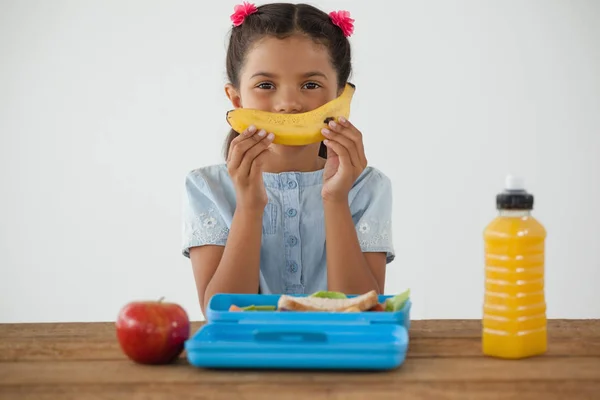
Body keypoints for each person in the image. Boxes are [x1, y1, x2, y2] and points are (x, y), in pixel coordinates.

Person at [181, 2, 395, 314]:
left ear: (338, 99)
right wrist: (250, 206)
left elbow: (360, 311)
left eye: (311, 84)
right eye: (266, 85)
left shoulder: (367, 187)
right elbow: (223, 314)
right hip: (245, 362)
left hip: (340, 361)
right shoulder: (206, 188)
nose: (289, 103)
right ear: (237, 99)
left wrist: (335, 199)